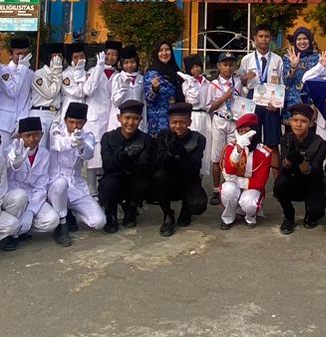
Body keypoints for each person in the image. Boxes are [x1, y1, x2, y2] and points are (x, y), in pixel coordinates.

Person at [0, 115, 61, 249]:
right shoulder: (10, 151)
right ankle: (11, 235)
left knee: (52, 221)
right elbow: (5, 169)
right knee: (20, 196)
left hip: (32, 196)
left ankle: (22, 229)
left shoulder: (44, 154)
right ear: (19, 136)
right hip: (12, 198)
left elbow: (41, 186)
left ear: (41, 135)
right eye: (27, 135)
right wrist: (14, 163)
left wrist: (31, 212)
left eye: (36, 135)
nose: (32, 139)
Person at [47, 101, 105, 240]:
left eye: (79, 123)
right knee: (61, 184)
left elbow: (89, 153)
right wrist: (70, 141)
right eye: (71, 122)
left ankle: (70, 213)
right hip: (55, 183)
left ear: (84, 122)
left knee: (98, 222)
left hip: (75, 184)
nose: (74, 126)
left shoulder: (87, 136)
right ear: (65, 120)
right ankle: (61, 224)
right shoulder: (56, 130)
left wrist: (80, 145)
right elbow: (56, 144)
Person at [98, 99, 156, 231]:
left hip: (134, 178)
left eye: (135, 118)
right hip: (114, 177)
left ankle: (131, 208)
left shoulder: (145, 139)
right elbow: (107, 165)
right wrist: (119, 157)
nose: (130, 123)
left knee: (144, 183)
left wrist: (128, 161)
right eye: (127, 118)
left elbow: (144, 166)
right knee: (107, 186)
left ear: (140, 120)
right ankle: (110, 213)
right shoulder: (109, 137)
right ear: (119, 118)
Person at [154, 101, 210, 235]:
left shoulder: (198, 138)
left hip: (189, 180)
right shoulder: (163, 136)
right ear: (169, 122)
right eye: (174, 122)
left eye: (182, 122)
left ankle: (186, 210)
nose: (177, 126)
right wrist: (170, 153)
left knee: (198, 205)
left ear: (189, 122)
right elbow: (158, 162)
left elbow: (195, 166)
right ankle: (167, 214)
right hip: (169, 180)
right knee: (157, 177)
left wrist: (182, 153)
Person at [273, 102, 326, 233]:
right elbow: (283, 169)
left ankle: (310, 213)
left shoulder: (320, 143)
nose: (298, 124)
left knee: (317, 211)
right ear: (290, 122)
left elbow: (315, 173)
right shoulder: (286, 139)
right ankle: (289, 216)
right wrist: (288, 159)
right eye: (295, 120)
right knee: (279, 184)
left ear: (311, 123)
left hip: (311, 184)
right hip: (292, 181)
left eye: (303, 121)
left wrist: (301, 161)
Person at [220, 113, 274, 229]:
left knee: (249, 203)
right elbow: (229, 170)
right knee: (227, 189)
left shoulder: (265, 152)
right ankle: (228, 217)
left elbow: (260, 183)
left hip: (252, 188)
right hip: (235, 186)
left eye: (247, 129)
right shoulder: (231, 148)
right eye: (240, 130)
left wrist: (236, 180)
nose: (243, 132)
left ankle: (250, 217)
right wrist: (238, 150)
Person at [237, 26, 288, 144]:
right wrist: (245, 78)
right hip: (253, 99)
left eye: (266, 36)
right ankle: (255, 162)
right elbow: (239, 82)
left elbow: (282, 84)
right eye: (260, 36)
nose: (263, 39)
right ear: (255, 38)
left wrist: (277, 104)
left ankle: (273, 163)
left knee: (273, 140)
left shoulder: (278, 60)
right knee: (252, 138)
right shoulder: (247, 59)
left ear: (271, 39)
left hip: (272, 100)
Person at [204, 53, 239, 196]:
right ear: (219, 66)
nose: (228, 68)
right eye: (225, 65)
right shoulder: (213, 85)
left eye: (231, 65)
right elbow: (209, 107)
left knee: (231, 156)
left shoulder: (237, 82)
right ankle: (216, 189)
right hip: (219, 120)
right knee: (217, 156)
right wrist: (224, 98)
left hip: (234, 120)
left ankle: (228, 188)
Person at [143, 42, 185, 135]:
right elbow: (148, 99)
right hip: (158, 123)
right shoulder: (152, 73)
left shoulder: (176, 72)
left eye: (167, 50)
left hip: (175, 122)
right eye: (161, 50)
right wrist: (154, 89)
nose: (164, 53)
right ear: (156, 53)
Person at [283, 26, 320, 122]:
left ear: (310, 40)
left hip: (310, 104)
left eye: (305, 38)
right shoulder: (288, 57)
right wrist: (293, 66)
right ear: (295, 41)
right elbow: (286, 82)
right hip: (292, 104)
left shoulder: (317, 58)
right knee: (291, 135)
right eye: (299, 39)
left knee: (309, 134)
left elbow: (319, 82)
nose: (302, 42)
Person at [110, 47, 145, 134]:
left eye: (132, 62)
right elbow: (115, 102)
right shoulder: (118, 78)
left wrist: (144, 122)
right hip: (120, 121)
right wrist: (124, 88)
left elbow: (143, 101)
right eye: (126, 62)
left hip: (136, 119)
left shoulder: (141, 78)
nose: (129, 65)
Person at [30, 43, 66, 120]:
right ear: (49, 58)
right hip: (41, 113)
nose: (58, 59)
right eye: (55, 56)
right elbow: (50, 93)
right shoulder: (39, 74)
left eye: (60, 56)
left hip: (55, 114)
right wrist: (56, 74)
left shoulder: (62, 74)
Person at [179, 53, 211, 138]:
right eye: (192, 68)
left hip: (206, 116)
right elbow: (193, 101)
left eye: (197, 66)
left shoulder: (207, 83)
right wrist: (191, 84)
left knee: (207, 142)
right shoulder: (186, 84)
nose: (196, 69)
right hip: (193, 115)